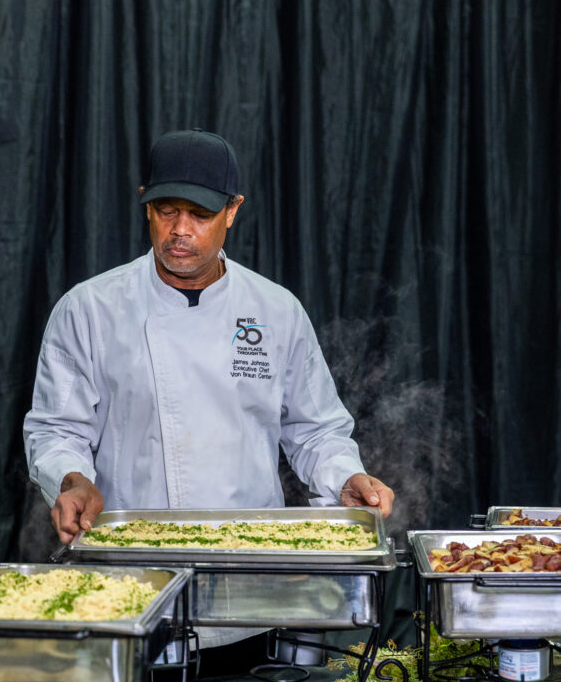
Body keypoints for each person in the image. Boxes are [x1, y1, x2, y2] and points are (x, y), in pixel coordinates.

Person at [24, 128, 394, 545]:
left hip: (252, 551)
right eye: (166, 210)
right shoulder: (89, 309)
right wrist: (72, 480)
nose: (180, 230)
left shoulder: (276, 310)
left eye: (200, 214)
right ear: (147, 204)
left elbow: (316, 430)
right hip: (131, 548)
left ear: (232, 210)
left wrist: (346, 477)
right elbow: (57, 430)